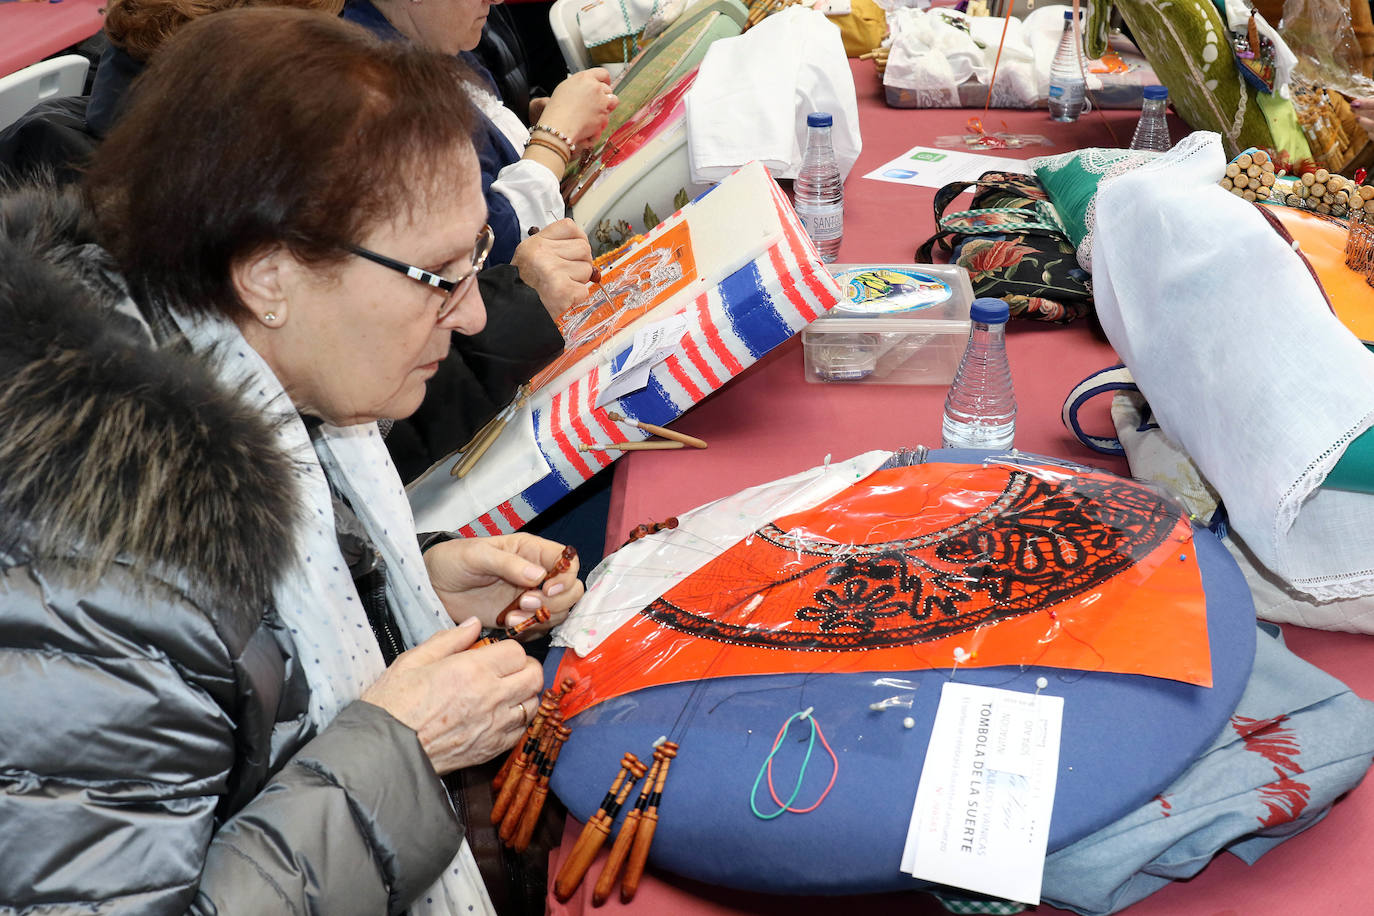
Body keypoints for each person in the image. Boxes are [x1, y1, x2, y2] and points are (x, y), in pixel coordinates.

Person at [0, 9, 584, 914]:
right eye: (439, 276)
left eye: (477, 262)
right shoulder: (101, 581)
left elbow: (244, 654)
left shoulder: (228, 376)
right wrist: (400, 749)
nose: (473, 316)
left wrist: (403, 593)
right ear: (270, 277)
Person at [342, 0, 619, 265]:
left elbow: (487, 163)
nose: (497, 1)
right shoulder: (374, 94)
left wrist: (540, 131)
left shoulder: (429, 34)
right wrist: (555, 137)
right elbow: (486, 251)